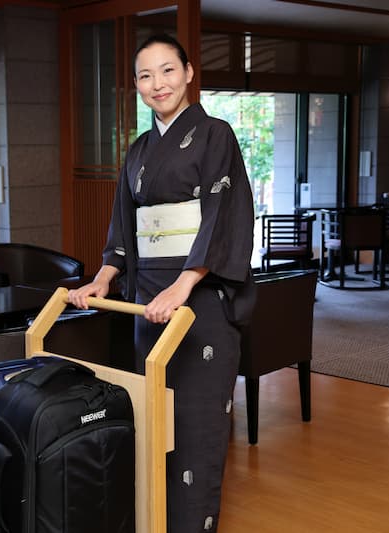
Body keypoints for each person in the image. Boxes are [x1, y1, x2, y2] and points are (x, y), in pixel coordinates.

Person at [67, 33, 255, 532]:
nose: (158, 84)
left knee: (195, 424)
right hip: (149, 301)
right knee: (153, 424)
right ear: (136, 85)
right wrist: (104, 277)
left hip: (199, 301)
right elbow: (123, 226)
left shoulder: (215, 135)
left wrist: (185, 282)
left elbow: (223, 214)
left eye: (168, 70)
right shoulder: (138, 150)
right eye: (145, 76)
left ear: (189, 73)